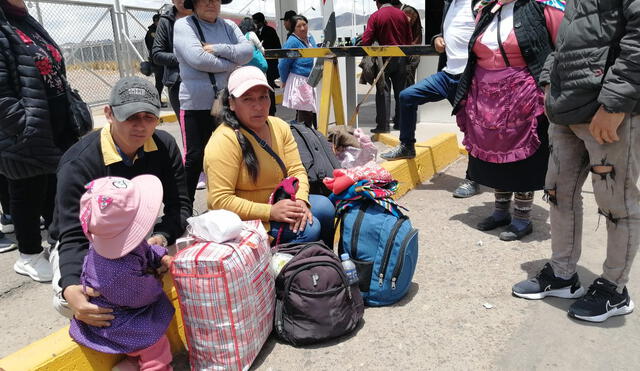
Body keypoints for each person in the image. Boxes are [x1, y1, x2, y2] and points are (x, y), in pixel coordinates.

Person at [512, 0, 640, 323]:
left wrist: (615, 103)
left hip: (606, 111)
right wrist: (548, 80)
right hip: (566, 108)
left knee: (617, 204)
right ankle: (562, 274)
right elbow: (569, 36)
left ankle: (614, 289)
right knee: (558, 193)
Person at [50, 76, 191, 323]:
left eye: (149, 117)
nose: (141, 126)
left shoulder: (164, 146)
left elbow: (180, 205)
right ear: (109, 114)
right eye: (131, 116)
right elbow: (72, 235)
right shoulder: (79, 163)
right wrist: (70, 285)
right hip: (89, 242)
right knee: (78, 301)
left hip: (140, 234)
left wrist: (159, 240)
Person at [452, 0, 564, 241]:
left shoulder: (542, 6)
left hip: (522, 91)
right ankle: (500, 212)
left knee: (521, 156)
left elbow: (560, 45)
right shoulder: (485, 8)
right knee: (493, 154)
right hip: (485, 93)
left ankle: (522, 218)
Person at [204, 66, 336, 247]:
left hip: (281, 202)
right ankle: (288, 271)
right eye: (247, 99)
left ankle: (323, 264)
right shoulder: (224, 140)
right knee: (310, 228)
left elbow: (296, 170)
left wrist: (301, 200)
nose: (258, 106)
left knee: (325, 208)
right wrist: (270, 211)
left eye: (263, 97)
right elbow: (220, 200)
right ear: (232, 103)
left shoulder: (279, 126)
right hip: (246, 218)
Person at [0, 0, 79, 282]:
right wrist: (22, 124)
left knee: (55, 186)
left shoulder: (23, 19)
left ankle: (59, 245)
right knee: (26, 189)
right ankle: (29, 255)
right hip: (25, 128)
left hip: (54, 122)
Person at [69, 175, 174, 370]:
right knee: (155, 342)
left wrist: (161, 257)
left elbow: (147, 250)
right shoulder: (115, 272)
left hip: (123, 306)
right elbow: (143, 296)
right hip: (118, 321)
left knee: (142, 343)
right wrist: (155, 280)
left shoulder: (111, 242)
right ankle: (155, 366)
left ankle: (131, 364)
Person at [380, 0, 480, 200]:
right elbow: (441, 32)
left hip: (470, 77)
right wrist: (436, 38)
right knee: (407, 96)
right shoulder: (448, 4)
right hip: (447, 75)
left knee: (472, 128)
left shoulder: (479, 4)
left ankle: (473, 178)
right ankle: (407, 146)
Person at [173, 0, 253, 203]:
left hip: (228, 102)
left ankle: (231, 204)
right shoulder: (184, 25)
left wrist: (216, 48)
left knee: (232, 154)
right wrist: (232, 61)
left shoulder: (229, 25)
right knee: (195, 158)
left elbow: (248, 52)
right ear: (195, 3)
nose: (211, 3)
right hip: (196, 104)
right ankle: (183, 210)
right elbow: (198, 58)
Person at [360, 0, 412, 134]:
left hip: (383, 59)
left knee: (383, 91)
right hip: (401, 58)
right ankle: (401, 123)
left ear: (378, 2)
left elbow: (366, 40)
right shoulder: (402, 15)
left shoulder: (376, 16)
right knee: (401, 92)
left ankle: (383, 126)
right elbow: (409, 39)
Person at [151, 0, 192, 119]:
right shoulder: (166, 21)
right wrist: (186, 58)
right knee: (189, 131)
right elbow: (157, 54)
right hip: (178, 83)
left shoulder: (203, 17)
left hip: (207, 82)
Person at [278, 15, 318, 128]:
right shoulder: (292, 42)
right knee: (305, 114)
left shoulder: (310, 38)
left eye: (304, 25)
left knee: (314, 112)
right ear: (293, 29)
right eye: (298, 26)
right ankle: (306, 139)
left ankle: (316, 138)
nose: (302, 28)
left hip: (313, 79)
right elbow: (283, 64)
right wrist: (284, 80)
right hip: (301, 81)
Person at [252, 11, 281, 116]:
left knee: (269, 89)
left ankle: (271, 111)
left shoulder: (270, 31)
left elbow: (277, 46)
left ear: (260, 22)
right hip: (259, 67)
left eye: (255, 22)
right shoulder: (254, 33)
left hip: (269, 66)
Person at [145, 13, 166, 107]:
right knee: (159, 82)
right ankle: (157, 101)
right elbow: (153, 47)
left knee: (165, 81)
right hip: (157, 61)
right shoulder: (151, 33)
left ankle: (158, 100)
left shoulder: (161, 30)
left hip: (164, 59)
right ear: (156, 21)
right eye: (160, 21)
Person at [401, 4, 423, 93]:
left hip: (410, 53)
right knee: (407, 85)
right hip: (410, 52)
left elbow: (405, 30)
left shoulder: (408, 11)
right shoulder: (408, 10)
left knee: (407, 86)